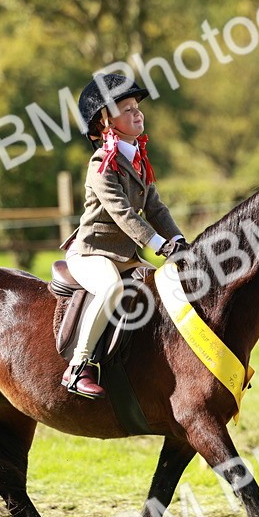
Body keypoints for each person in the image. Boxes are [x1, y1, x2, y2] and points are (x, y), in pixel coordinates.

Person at [59, 73, 188, 398]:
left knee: (164, 287)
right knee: (111, 288)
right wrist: (159, 245)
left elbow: (156, 209)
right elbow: (123, 213)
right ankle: (78, 366)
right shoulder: (101, 164)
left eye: (136, 107)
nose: (137, 113)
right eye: (127, 109)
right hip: (92, 253)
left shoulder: (138, 160)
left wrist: (179, 241)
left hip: (124, 254)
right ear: (106, 123)